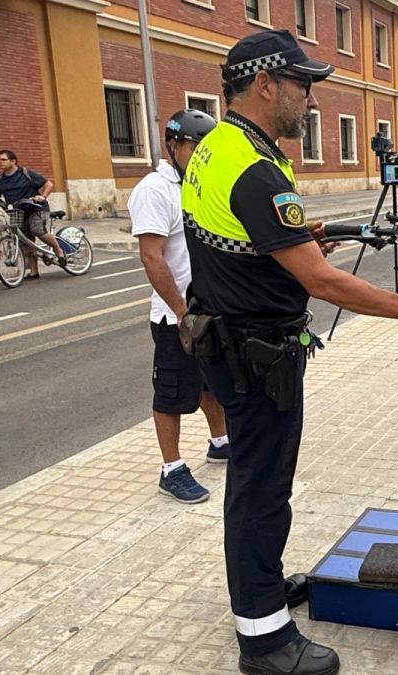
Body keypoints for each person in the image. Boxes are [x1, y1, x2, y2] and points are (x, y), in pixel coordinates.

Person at [181, 29, 398, 675]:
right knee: (261, 488)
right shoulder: (256, 166)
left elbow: (237, 245)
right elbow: (323, 283)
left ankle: (263, 592)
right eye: (303, 85)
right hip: (255, 353)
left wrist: (291, 245)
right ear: (265, 84)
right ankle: (264, 637)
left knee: (258, 482)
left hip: (230, 340)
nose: (310, 99)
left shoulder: (219, 146)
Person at [129, 109, 231, 505]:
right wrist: (180, 312)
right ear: (173, 145)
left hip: (208, 309)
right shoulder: (156, 189)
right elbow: (152, 257)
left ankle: (220, 442)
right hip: (176, 317)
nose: (202, 154)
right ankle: (171, 468)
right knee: (172, 392)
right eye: (196, 147)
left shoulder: (199, 183)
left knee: (211, 383)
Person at [0, 149, 65, 279]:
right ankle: (33, 272)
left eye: (3, 160)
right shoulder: (0, 177)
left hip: (36, 208)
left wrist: (42, 196)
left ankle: (59, 251)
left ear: (13, 161)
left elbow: (48, 184)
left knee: (37, 230)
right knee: (25, 241)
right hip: (17, 211)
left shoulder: (26, 173)